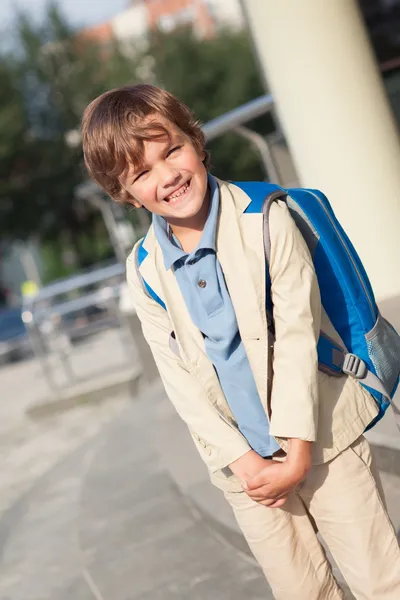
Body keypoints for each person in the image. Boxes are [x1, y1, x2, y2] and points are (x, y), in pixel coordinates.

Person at [81, 84, 400, 599]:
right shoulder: (144, 269)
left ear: (196, 140)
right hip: (244, 470)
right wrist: (243, 462)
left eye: (173, 151)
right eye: (142, 173)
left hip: (322, 438)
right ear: (123, 193)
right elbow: (178, 379)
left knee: (380, 579)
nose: (168, 176)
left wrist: (296, 454)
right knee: (303, 591)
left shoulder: (266, 218)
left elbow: (297, 335)